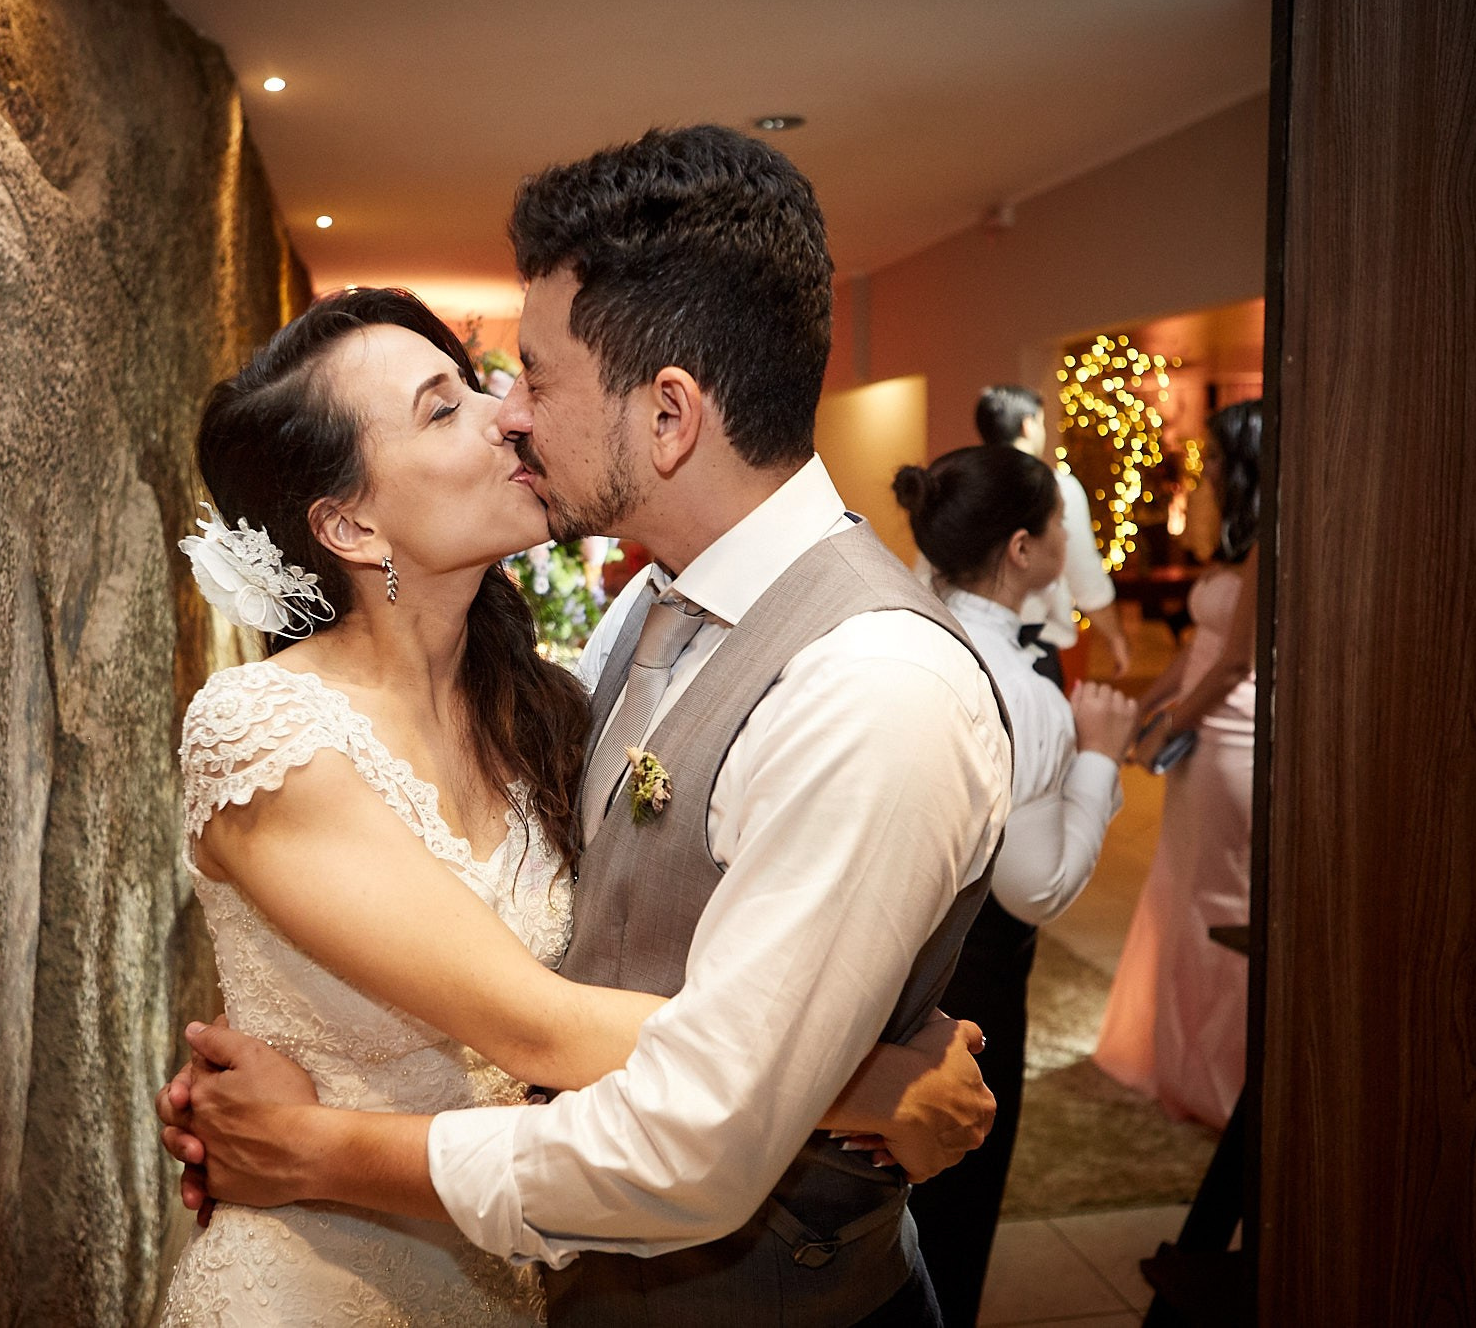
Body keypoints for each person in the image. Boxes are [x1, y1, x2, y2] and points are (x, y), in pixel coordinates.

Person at [158, 124, 1016, 1327]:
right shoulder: (628, 634)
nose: (509, 417)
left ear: (667, 418)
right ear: (347, 526)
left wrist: (312, 1145)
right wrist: (854, 1081)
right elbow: (544, 1015)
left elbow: (682, 1116)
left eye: (526, 380)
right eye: (453, 401)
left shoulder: (856, 685)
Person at [890, 446, 1140, 1326]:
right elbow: (1038, 885)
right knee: (955, 1195)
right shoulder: (1025, 695)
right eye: (1062, 525)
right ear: (1025, 547)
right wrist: (1099, 756)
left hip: (883, 955)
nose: (1073, 538)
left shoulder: (897, 628)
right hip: (970, 978)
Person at [1093, 399, 1262, 1130]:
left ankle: (1225, 1076)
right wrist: (1148, 705)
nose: (1211, 472)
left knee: (1220, 902)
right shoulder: (1236, 540)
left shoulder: (1270, 543)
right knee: (1180, 888)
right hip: (1203, 732)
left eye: (1221, 460)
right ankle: (1180, 1057)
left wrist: (1171, 725)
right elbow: (1197, 649)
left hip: (1235, 739)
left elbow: (1233, 664)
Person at [974, 385, 1132, 686]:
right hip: (1032, 653)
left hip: (967, 648)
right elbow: (1085, 575)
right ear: (1028, 424)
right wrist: (1115, 637)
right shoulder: (1056, 487)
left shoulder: (965, 485)